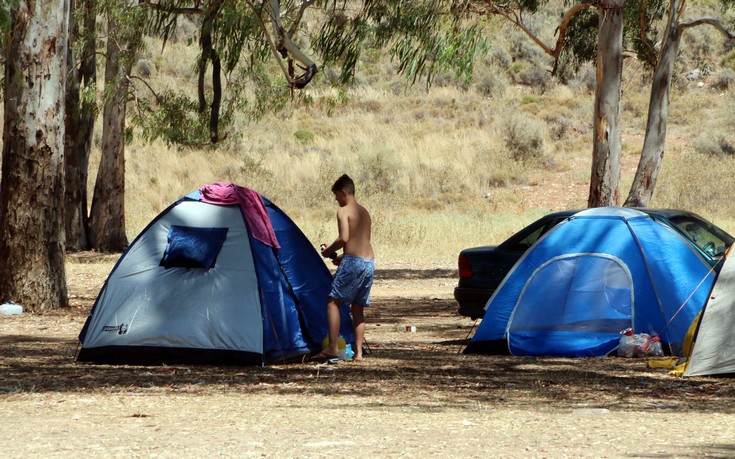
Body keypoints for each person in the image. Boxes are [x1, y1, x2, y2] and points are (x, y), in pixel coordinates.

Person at [311, 174, 374, 362]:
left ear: (344, 192)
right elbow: (360, 240)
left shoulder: (344, 211)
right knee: (357, 308)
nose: (336, 199)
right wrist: (342, 256)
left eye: (337, 195)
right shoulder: (364, 211)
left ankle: (331, 348)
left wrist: (328, 251)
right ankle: (359, 354)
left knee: (333, 302)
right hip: (368, 262)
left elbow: (344, 238)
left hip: (353, 261)